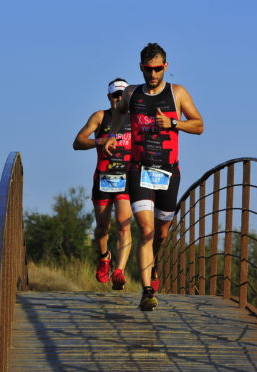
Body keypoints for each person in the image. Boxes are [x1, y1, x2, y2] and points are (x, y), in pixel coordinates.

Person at [105, 43, 204, 311]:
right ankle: (147, 290)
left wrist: (173, 123)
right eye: (148, 69)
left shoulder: (177, 93)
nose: (153, 74)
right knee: (146, 230)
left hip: (169, 172)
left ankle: (154, 262)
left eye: (158, 69)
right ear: (141, 68)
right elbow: (119, 113)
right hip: (139, 169)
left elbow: (199, 125)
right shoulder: (131, 93)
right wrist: (114, 135)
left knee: (160, 233)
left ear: (166, 67)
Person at [73, 78, 133, 290]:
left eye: (123, 95)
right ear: (109, 97)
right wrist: (99, 141)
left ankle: (119, 270)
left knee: (124, 224)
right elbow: (78, 142)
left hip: (127, 179)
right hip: (104, 178)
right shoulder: (100, 116)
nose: (119, 98)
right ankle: (104, 257)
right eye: (116, 95)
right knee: (102, 227)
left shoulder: (136, 118)